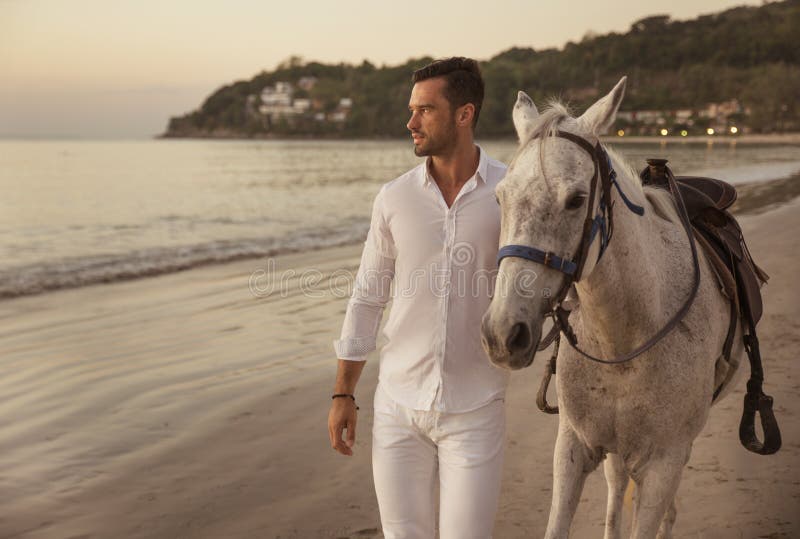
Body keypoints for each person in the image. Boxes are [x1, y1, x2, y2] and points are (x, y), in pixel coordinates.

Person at [327, 57, 509, 539]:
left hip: (475, 408)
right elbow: (368, 297)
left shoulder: (511, 191)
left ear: (464, 114)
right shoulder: (394, 198)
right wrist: (344, 392)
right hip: (397, 409)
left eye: (425, 110)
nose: (411, 122)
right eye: (412, 109)